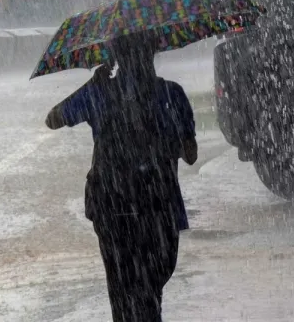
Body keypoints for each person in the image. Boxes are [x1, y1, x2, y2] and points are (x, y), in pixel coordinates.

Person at [44, 37, 198, 322]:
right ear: (153, 54)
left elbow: (53, 118)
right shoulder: (171, 95)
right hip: (159, 209)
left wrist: (93, 87)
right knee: (150, 292)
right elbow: (191, 155)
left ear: (114, 58)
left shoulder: (100, 93)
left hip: (112, 208)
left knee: (121, 290)